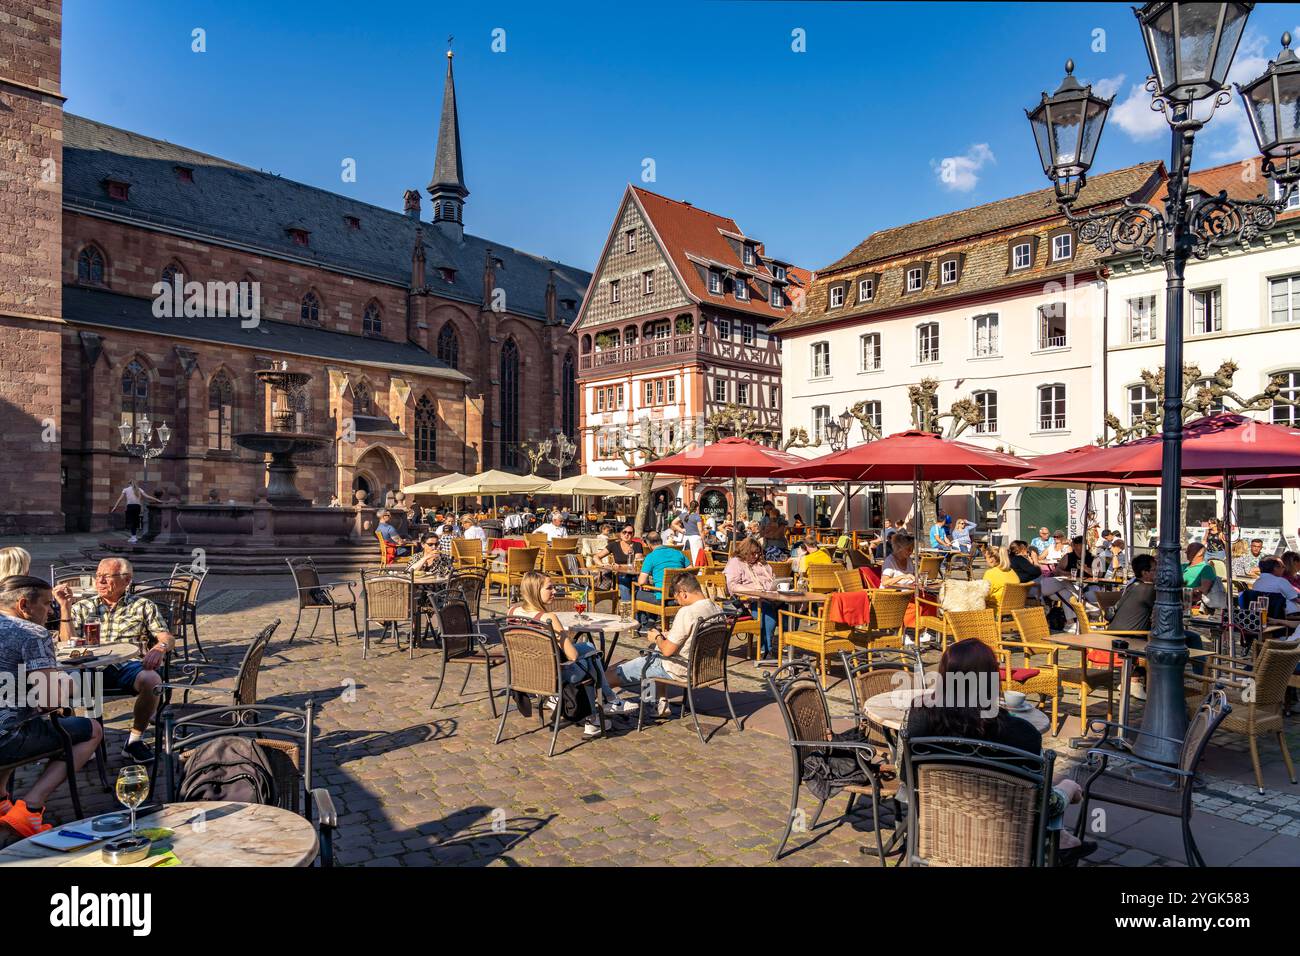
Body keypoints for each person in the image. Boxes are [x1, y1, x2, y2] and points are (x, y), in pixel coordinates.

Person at [905, 638, 1092, 863]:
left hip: (942, 830)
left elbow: (904, 775)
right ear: (993, 679)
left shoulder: (919, 717)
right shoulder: (1022, 734)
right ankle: (1062, 843)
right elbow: (1045, 804)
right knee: (1056, 806)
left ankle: (1063, 841)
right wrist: (1068, 788)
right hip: (1004, 843)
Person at [0, 576, 104, 837]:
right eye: (47, 605)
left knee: (17, 715)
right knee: (92, 729)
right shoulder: (31, 633)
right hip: (7, 739)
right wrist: (67, 685)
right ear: (24, 604)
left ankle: (1, 801)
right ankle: (31, 808)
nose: (50, 612)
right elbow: (49, 702)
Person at [54, 558, 173, 762]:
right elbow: (66, 642)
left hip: (126, 666)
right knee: (52, 683)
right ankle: (78, 738)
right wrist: (65, 607)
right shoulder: (83, 607)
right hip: (86, 666)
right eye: (98, 576)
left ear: (126, 580)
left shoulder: (142, 605)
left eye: (106, 577)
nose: (99, 581)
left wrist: (160, 648)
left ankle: (134, 741)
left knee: (153, 680)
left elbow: (166, 637)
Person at [508, 572, 636, 735]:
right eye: (549, 588)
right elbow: (573, 656)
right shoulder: (548, 618)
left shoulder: (512, 611)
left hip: (526, 675)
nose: (554, 591)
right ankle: (602, 708)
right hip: (553, 678)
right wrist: (561, 635)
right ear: (535, 590)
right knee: (592, 659)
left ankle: (605, 705)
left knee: (589, 646)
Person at [609, 573, 720, 714]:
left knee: (611, 674)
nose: (678, 603)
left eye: (677, 599)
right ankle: (660, 702)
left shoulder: (687, 612)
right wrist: (668, 636)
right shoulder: (716, 609)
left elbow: (667, 651)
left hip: (680, 668)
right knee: (651, 652)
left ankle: (596, 713)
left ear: (683, 593)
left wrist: (657, 637)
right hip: (704, 669)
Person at [723, 537, 780, 663]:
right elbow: (732, 586)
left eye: (758, 553)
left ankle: (786, 647)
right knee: (766, 612)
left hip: (771, 597)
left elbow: (773, 579)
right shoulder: (736, 563)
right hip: (748, 602)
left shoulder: (762, 564)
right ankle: (766, 650)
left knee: (790, 612)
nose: (755, 556)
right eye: (753, 553)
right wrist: (755, 590)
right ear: (745, 551)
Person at [1107, 554, 1156, 632]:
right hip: (1128, 639)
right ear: (1145, 573)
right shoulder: (1148, 589)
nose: (1158, 572)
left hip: (1112, 634)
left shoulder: (1132, 585)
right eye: (1154, 570)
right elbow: (1164, 611)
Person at [596, 525, 643, 601]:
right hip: (620, 576)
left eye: (630, 533)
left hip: (634, 575)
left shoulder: (637, 545)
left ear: (633, 534)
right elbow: (596, 557)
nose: (627, 534)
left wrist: (620, 566)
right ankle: (627, 608)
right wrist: (602, 564)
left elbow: (636, 564)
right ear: (620, 534)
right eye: (624, 532)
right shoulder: (613, 545)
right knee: (624, 582)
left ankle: (636, 609)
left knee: (638, 585)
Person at [111, 479, 160, 544]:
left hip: (130, 507)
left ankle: (133, 537)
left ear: (129, 484)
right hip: (137, 507)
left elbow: (120, 499)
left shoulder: (126, 489)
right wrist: (157, 500)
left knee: (131, 521)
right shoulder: (139, 489)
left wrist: (115, 507)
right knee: (135, 521)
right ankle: (133, 536)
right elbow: (147, 496)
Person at [1182, 541, 1218, 609]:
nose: (1186, 552)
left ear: (1200, 553)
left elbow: (1204, 589)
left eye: (1190, 550)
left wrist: (1182, 590)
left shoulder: (1206, 568)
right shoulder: (1182, 566)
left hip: (1191, 603)